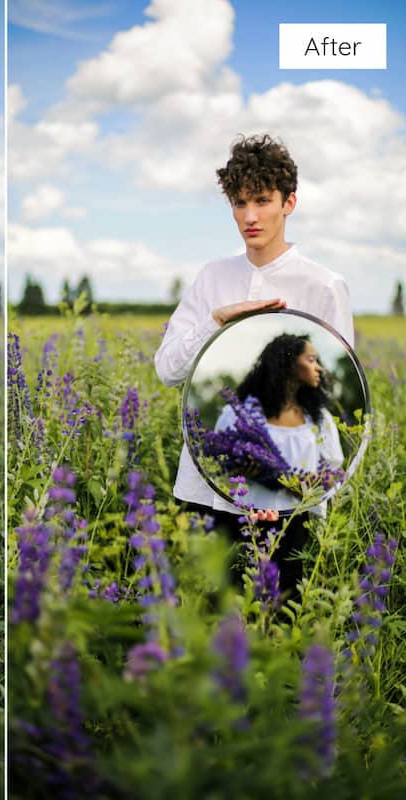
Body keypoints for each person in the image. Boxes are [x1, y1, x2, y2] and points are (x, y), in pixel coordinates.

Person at [154, 134, 355, 593]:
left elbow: (336, 397)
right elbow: (167, 370)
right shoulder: (212, 277)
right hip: (208, 494)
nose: (249, 216)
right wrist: (215, 321)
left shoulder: (323, 286)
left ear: (290, 202)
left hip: (291, 503)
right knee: (206, 636)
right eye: (239, 202)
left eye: (263, 200)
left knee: (278, 639)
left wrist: (305, 494)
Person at [211, 334, 344, 513]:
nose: (319, 368)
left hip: (304, 522)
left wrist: (310, 482)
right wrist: (238, 472)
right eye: (311, 360)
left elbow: (334, 473)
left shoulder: (320, 418)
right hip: (249, 521)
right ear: (288, 365)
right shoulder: (236, 415)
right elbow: (216, 475)